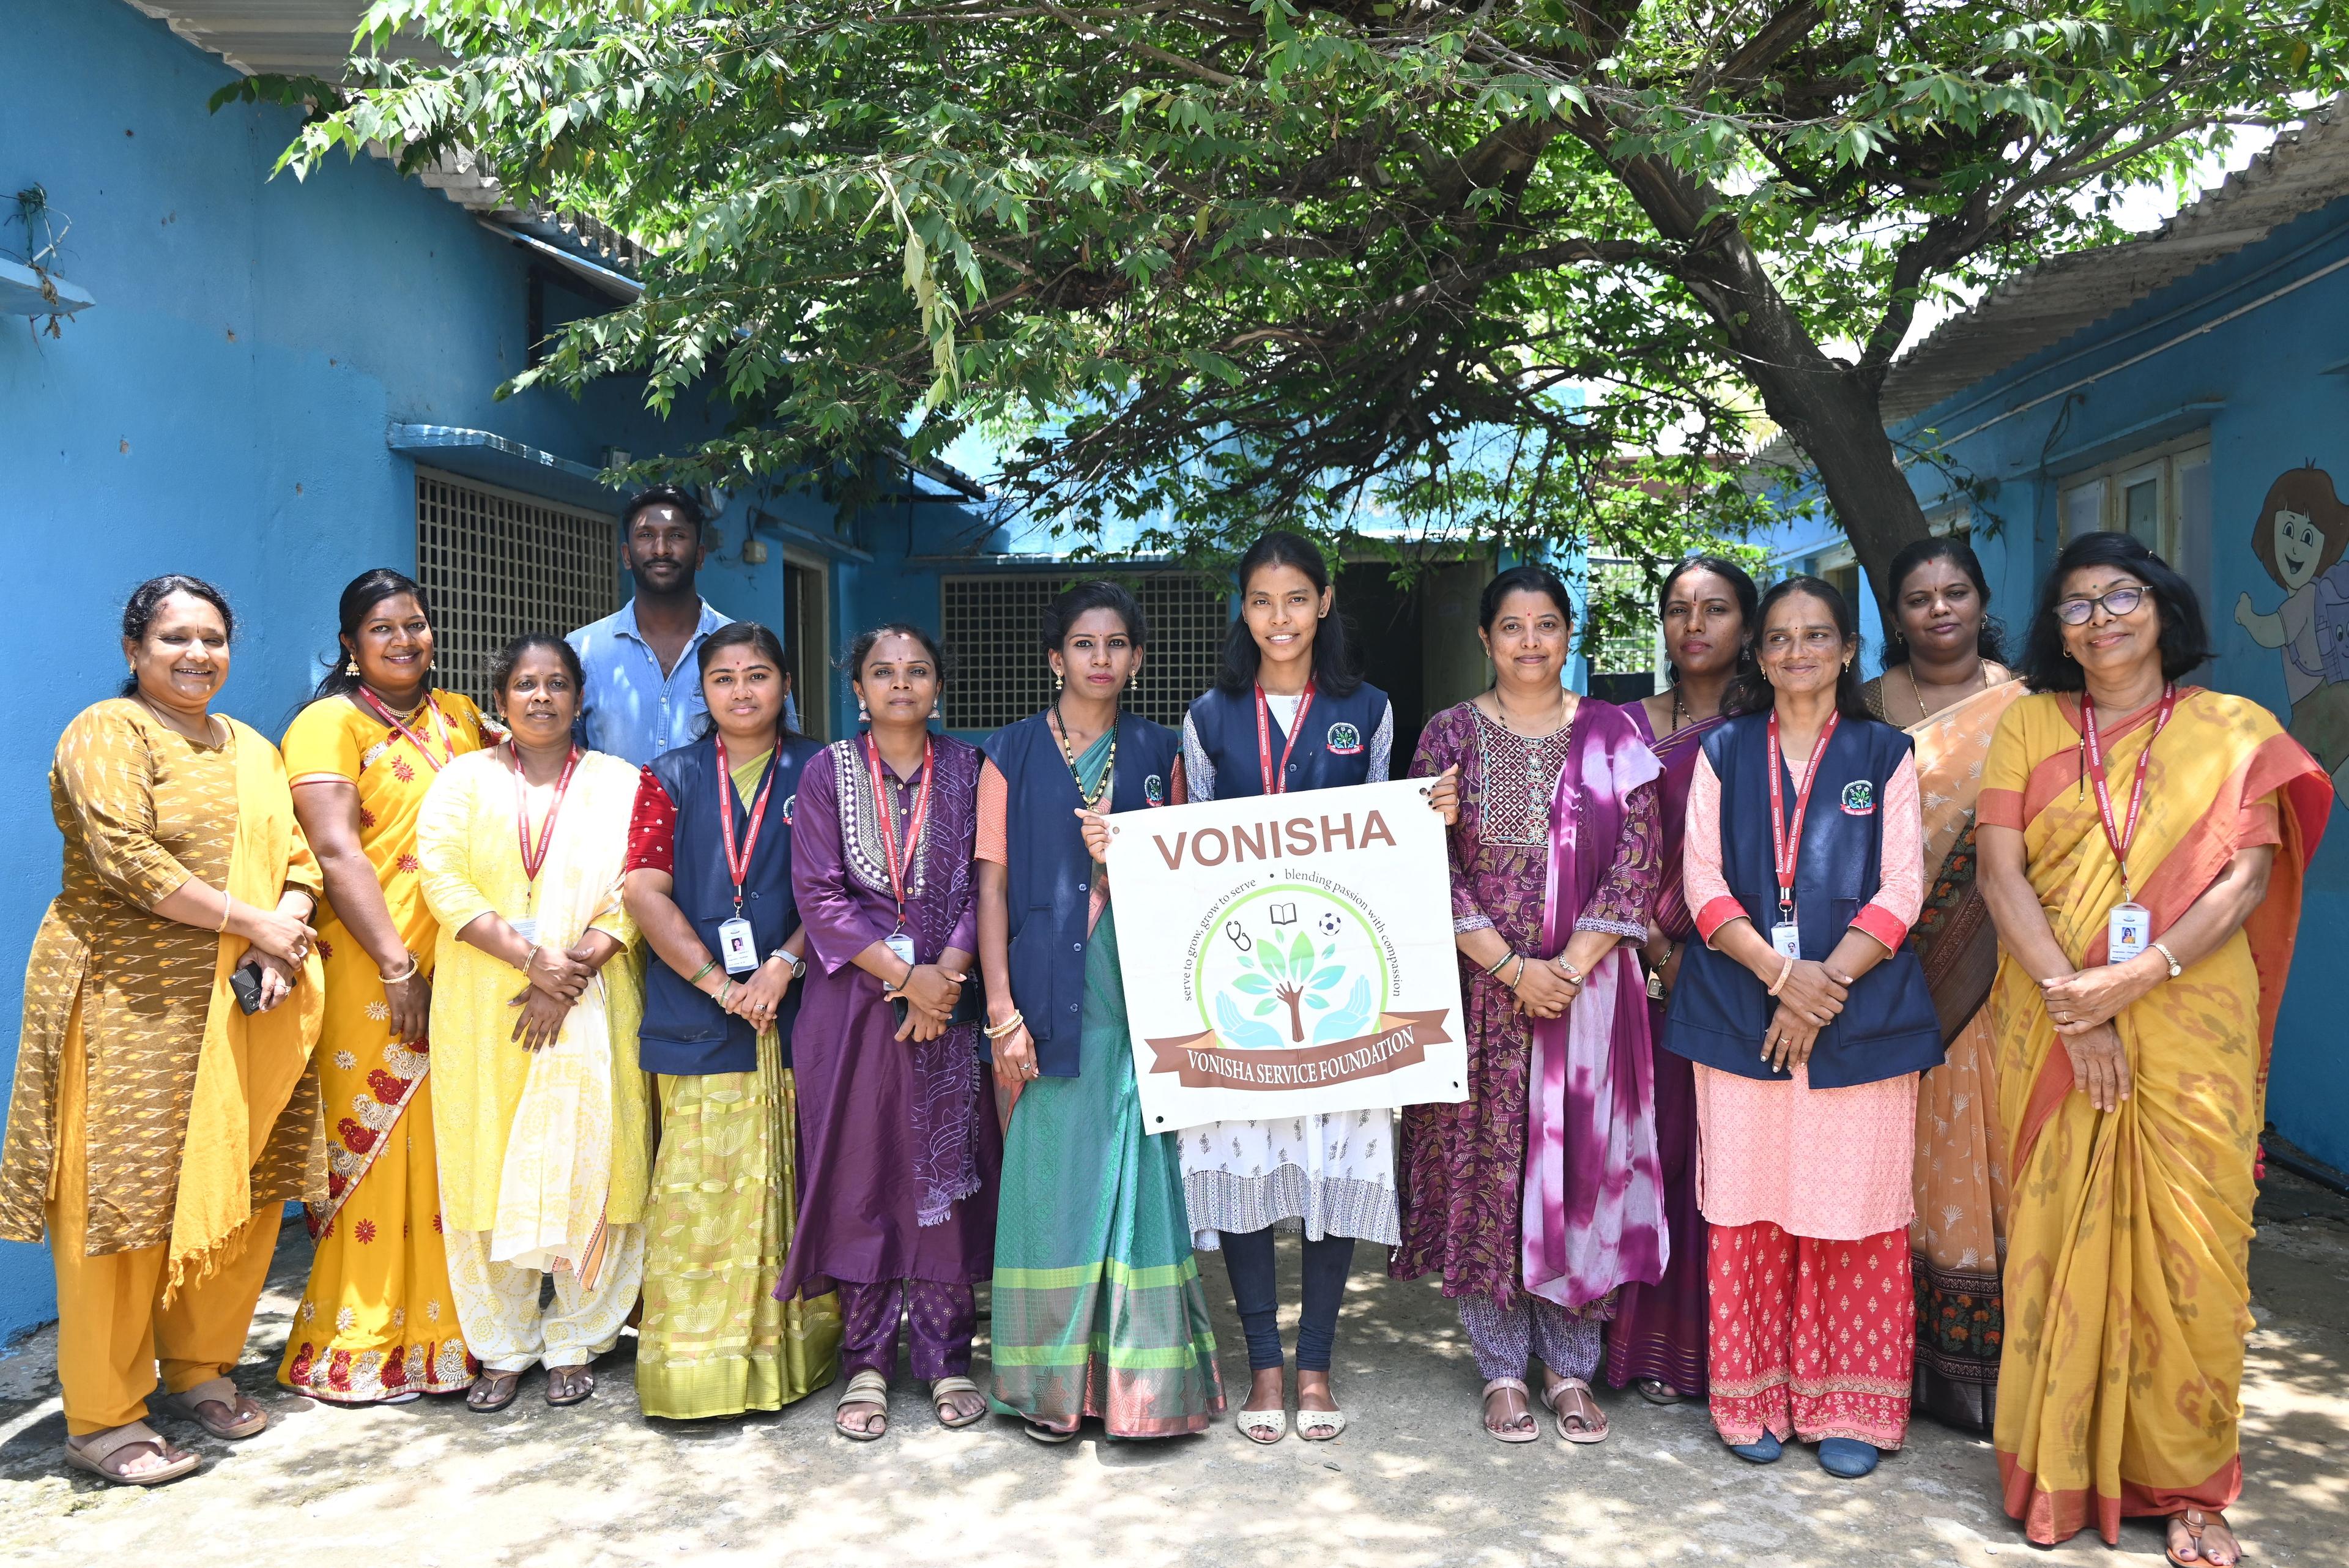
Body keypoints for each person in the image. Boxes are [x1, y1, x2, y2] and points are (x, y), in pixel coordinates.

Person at [1979, 533, 2327, 1567]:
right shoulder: (2029, 724)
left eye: (2121, 595)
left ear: (2164, 608)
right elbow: (2002, 877)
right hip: (2051, 1016)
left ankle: (2191, 1489)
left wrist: (2135, 978)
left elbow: (2246, 879)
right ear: (2056, 631)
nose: (2102, 618)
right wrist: (2075, 1008)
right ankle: (2059, 1464)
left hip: (2186, 1014)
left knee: (2194, 1252)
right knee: (2055, 1239)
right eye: (2077, 604)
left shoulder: (2235, 728)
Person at [0, 577, 322, 1485]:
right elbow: (127, 857)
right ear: (136, 647)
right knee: (123, 1199)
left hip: (245, 1003)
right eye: (175, 637)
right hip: (127, 1006)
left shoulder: (253, 747)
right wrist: (255, 923)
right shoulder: (110, 730)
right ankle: (103, 1414)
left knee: (246, 1181)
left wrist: (285, 923)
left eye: (214, 637)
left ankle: (201, 1365)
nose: (197, 654)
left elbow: (299, 860)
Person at [1176, 530, 1458, 1443]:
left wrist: (1431, 816)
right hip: (1243, 987)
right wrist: (1123, 848)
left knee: (1335, 1171)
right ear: (1243, 610)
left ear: (1325, 602)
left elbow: (1387, 839)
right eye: (1262, 601)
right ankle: (1264, 1366)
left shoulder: (1369, 709)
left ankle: (1318, 1367)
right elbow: (1181, 857)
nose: (1281, 617)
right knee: (1250, 1176)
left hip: (1342, 989)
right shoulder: (1210, 713)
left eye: (1297, 598)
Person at [1664, 576, 1942, 1479]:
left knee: (1853, 1211)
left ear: (1850, 650)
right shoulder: (1725, 752)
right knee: (1746, 1208)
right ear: (1761, 652)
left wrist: (1823, 988)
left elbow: (1904, 883)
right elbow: (1702, 883)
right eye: (1779, 637)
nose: (1796, 652)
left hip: (1857, 1019)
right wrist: (1785, 977)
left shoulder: (1883, 751)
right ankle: (1752, 1397)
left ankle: (1850, 1402)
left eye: (1816, 636)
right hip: (1742, 1008)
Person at [1392, 565, 1665, 1444]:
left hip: (1588, 999)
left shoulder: (1615, 732)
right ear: (1485, 638)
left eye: (1548, 624)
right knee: (1485, 1173)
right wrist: (1512, 968)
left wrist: (1570, 964)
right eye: (1512, 626)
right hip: (1479, 992)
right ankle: (1502, 1365)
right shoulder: (1447, 736)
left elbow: (1639, 856)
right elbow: (1421, 862)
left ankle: (1571, 1367)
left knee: (1580, 1171)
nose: (1531, 642)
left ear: (1569, 631)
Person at [978, 582, 1225, 1443]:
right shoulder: (1006, 752)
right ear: (1056, 657)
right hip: (1046, 1000)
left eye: (1117, 643)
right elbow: (992, 885)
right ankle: (1050, 1386)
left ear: (1138, 657)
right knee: (1052, 1182)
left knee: (1138, 1176)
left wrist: (1126, 861)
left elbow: (1195, 875)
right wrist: (1002, 1010)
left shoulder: (1163, 751)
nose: (1100, 658)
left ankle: (1141, 1390)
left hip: (1138, 994)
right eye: (1083, 644)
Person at [416, 634, 651, 1411]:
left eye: (557, 684)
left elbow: (638, 886)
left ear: (580, 698)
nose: (542, 697)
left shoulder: (620, 782)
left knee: (593, 1157)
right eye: (525, 684)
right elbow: (442, 881)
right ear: (501, 698)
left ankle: (579, 1336)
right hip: (487, 1003)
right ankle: (503, 1343)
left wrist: (568, 968)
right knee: (487, 1163)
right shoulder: (462, 780)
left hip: (592, 992)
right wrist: (531, 962)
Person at [278, 570, 493, 1406]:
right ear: (350, 644)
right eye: (383, 628)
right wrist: (398, 965)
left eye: (415, 623)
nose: (405, 639)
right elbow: (337, 853)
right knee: (371, 1152)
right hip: (373, 967)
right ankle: (359, 1337)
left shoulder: (463, 720)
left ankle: (455, 1325)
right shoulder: (329, 723)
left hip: (464, 966)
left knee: (449, 1147)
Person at [778, 624, 998, 1440]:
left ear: (939, 685)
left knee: (943, 1172)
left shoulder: (973, 769)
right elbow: (819, 894)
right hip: (855, 1006)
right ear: (858, 688)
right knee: (861, 1169)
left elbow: (986, 881)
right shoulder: (826, 772)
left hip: (950, 995)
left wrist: (945, 977)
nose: (900, 683)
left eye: (916, 671)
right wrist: (908, 978)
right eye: (882, 671)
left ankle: (945, 1356)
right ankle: (866, 1359)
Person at [622, 622, 844, 1419]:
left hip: (803, 1007)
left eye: (758, 675)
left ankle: (794, 1355)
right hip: (700, 1015)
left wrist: (783, 963)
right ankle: (695, 1368)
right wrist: (720, 982)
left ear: (785, 682)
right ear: (702, 691)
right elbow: (644, 890)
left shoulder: (823, 768)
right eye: (724, 677)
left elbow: (845, 886)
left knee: (795, 1185)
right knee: (700, 1193)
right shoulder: (669, 775)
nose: (742, 691)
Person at [1858, 537, 2025, 1434]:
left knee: (1982, 1147)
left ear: (1981, 597)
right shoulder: (1865, 706)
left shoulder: (2028, 705)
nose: (1939, 610)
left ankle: (1992, 1372)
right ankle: (1901, 1361)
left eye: (1955, 592)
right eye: (1919, 598)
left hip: (1992, 971)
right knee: (1899, 1157)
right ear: (1896, 614)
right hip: (1876, 971)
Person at [1605, 554, 1759, 1406]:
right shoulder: (1622, 727)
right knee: (1651, 1150)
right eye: (1677, 609)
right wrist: (1659, 950)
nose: (1694, 625)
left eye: (1716, 609)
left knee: (1727, 1157)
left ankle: (1727, 1344)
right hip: (1642, 970)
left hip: (1745, 972)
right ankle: (1644, 1345)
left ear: (1746, 623)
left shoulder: (1774, 727)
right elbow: (1598, 852)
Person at [567, 486, 733, 767]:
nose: (661, 549)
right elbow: (561, 761)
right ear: (627, 556)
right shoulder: (582, 650)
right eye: (646, 535)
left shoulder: (743, 649)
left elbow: (780, 756)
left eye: (677, 536)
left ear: (701, 555)